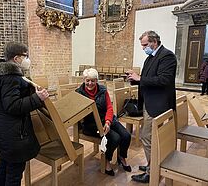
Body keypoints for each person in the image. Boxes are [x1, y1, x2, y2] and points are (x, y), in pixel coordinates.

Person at [0, 42, 49, 186]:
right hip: (14, 134)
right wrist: (37, 98)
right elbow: (13, 106)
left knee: (4, 165)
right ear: (16, 58)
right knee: (14, 174)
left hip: (4, 129)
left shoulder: (1, 74)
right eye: (25, 56)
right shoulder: (11, 78)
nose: (27, 59)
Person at [126, 30, 177, 183]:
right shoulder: (150, 57)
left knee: (147, 137)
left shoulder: (167, 56)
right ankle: (151, 164)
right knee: (150, 138)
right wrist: (134, 79)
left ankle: (152, 171)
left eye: (145, 45)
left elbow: (164, 80)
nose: (143, 48)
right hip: (149, 102)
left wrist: (140, 78)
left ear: (154, 42)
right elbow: (147, 79)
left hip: (158, 105)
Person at [76, 68, 131, 176]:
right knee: (115, 138)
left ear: (97, 80)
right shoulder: (79, 93)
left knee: (126, 135)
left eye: (93, 80)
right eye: (87, 80)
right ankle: (107, 161)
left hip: (107, 119)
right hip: (91, 124)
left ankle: (122, 156)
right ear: (84, 80)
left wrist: (107, 122)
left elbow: (109, 108)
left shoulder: (102, 90)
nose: (90, 83)